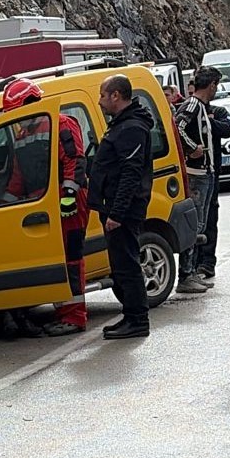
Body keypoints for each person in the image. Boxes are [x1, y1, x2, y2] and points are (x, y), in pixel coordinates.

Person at [0, 78, 91, 337]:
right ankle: (64, 312)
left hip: (67, 203)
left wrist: (69, 197)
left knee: (71, 259)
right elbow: (19, 176)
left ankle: (74, 317)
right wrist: (4, 204)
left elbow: (75, 160)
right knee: (55, 260)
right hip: (44, 205)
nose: (16, 116)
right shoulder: (23, 133)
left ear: (31, 103)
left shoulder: (61, 123)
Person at [88, 74, 153, 340]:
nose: (100, 101)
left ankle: (138, 320)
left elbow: (130, 173)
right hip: (114, 207)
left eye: (103, 96)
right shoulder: (122, 125)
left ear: (116, 95)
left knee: (127, 264)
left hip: (123, 211)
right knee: (120, 265)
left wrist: (117, 213)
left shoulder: (132, 128)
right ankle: (130, 315)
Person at [173, 66, 221, 294]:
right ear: (211, 85)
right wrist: (192, 149)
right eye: (216, 85)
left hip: (206, 173)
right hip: (197, 174)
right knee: (194, 225)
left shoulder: (200, 107)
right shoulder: (192, 105)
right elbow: (177, 126)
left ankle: (190, 272)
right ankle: (186, 274)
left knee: (200, 225)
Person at [196, 102, 230, 284]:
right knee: (196, 220)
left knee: (210, 216)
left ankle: (207, 262)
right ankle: (194, 264)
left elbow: (228, 129)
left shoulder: (218, 111)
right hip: (194, 173)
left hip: (212, 172)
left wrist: (210, 122)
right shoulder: (189, 109)